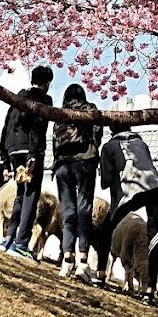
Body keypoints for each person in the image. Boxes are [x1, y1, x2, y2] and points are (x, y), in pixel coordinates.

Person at [96, 123, 158, 305]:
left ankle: (100, 275)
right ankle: (149, 291)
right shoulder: (141, 143)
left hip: (131, 189)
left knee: (106, 230)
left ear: (112, 130)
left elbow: (105, 182)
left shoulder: (108, 146)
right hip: (157, 189)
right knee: (155, 238)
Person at [0, 64, 52, 259]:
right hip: (30, 150)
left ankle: (9, 238)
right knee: (31, 195)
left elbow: (7, 125)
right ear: (47, 83)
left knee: (21, 194)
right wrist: (34, 155)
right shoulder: (44, 99)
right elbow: (38, 127)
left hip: (13, 150)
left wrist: (5, 158)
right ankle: (21, 243)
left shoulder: (17, 98)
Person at [52, 82, 103, 280]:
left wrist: (57, 162)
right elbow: (98, 132)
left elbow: (55, 140)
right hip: (85, 163)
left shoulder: (60, 113)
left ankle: (67, 259)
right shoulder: (90, 109)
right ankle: (83, 261)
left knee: (68, 211)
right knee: (84, 210)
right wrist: (93, 149)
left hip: (64, 165)